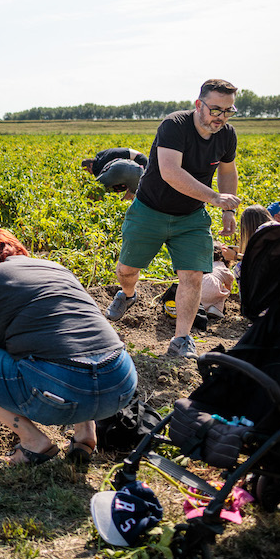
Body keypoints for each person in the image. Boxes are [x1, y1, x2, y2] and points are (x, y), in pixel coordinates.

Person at [0, 229, 137, 465]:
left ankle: (32, 440)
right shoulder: (57, 269)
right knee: (68, 342)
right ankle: (86, 434)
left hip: (64, 389)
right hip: (120, 384)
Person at [106, 79, 240, 359]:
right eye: (216, 109)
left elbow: (227, 171)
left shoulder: (227, 135)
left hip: (191, 218)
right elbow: (170, 172)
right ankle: (128, 295)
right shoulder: (175, 125)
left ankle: (182, 339)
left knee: (192, 277)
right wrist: (215, 198)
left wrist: (229, 210)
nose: (221, 117)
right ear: (199, 104)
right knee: (126, 271)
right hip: (149, 210)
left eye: (228, 111)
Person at [199, 242, 236, 320]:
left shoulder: (203, 264)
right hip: (212, 286)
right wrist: (225, 297)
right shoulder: (222, 267)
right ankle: (216, 309)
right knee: (223, 293)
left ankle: (199, 308)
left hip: (197, 286)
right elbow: (229, 285)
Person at [82, 148, 148, 177]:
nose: (89, 173)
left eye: (88, 170)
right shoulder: (100, 157)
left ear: (91, 165)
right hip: (136, 156)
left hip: (138, 159)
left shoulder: (100, 165)